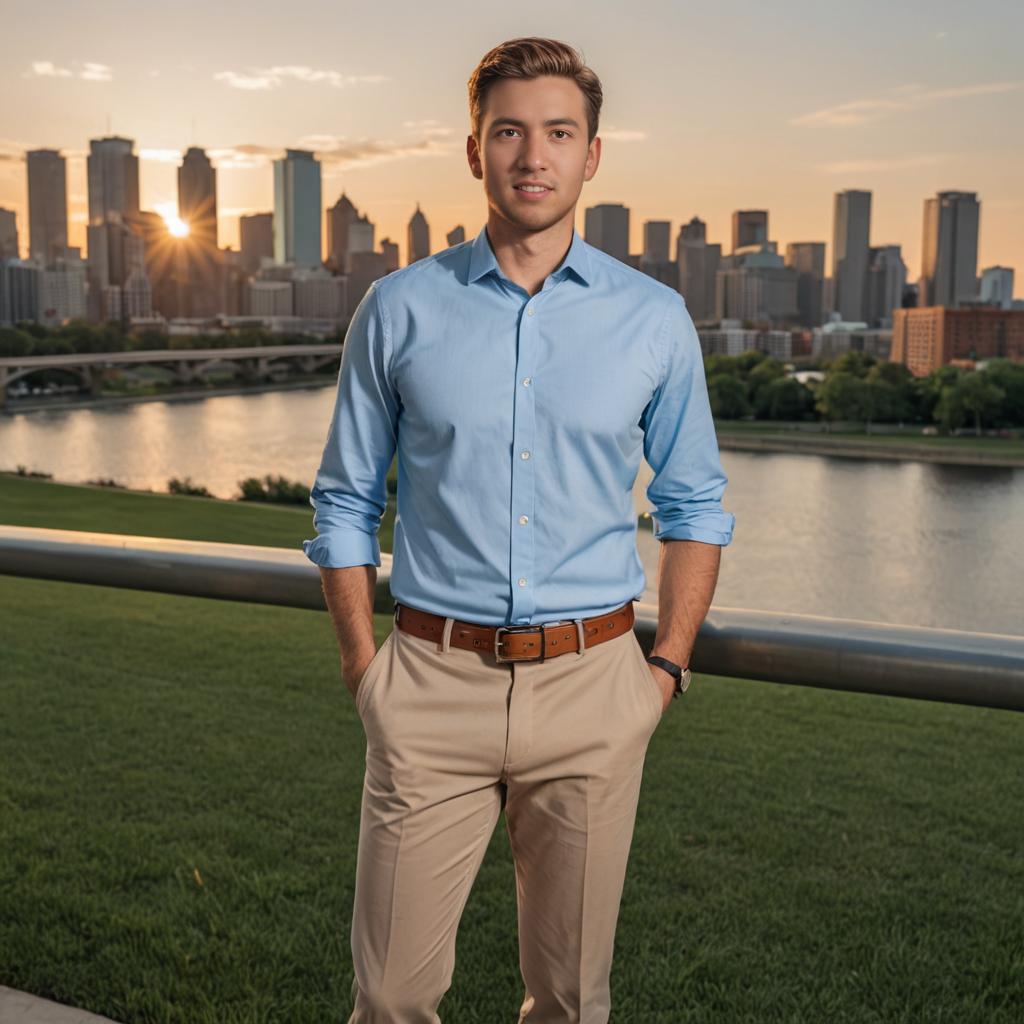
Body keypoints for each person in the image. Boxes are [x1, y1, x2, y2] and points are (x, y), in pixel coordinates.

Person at [302, 35, 735, 1024]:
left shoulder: (654, 318)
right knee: (389, 995)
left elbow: (695, 503)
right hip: (427, 688)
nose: (531, 155)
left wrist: (661, 670)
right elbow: (343, 500)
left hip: (594, 689)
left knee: (573, 1000)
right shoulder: (399, 307)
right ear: (473, 151)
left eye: (556, 132)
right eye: (508, 131)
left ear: (591, 155)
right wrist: (365, 669)